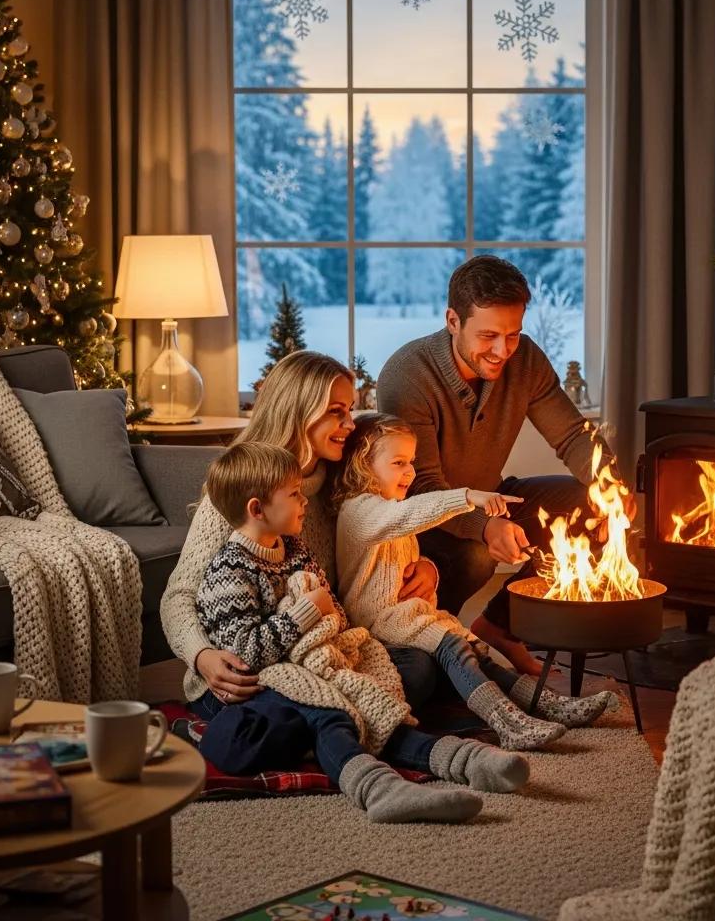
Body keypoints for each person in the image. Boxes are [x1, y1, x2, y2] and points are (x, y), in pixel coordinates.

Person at [193, 441, 529, 823]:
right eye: (293, 495)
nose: (304, 501)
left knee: (377, 700)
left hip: (313, 660)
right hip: (263, 680)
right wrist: (305, 613)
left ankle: (467, 760)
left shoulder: (295, 550)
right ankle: (379, 789)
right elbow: (246, 653)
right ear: (257, 509)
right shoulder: (230, 571)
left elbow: (333, 611)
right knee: (334, 711)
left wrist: (321, 631)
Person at [160, 351, 443, 774]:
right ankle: (342, 731)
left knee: (418, 667)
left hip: (322, 650)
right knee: (281, 712)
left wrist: (427, 567)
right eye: (337, 412)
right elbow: (179, 595)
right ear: (299, 412)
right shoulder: (246, 491)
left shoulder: (342, 484)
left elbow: (382, 546)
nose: (350, 424)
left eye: (350, 411)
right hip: (249, 663)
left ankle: (331, 729)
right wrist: (203, 657)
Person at [378, 255, 622, 675]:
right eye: (488, 335)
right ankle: (437, 642)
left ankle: (499, 625)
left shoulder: (523, 360)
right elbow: (422, 488)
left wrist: (609, 486)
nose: (502, 351)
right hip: (424, 526)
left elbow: (572, 435)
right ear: (453, 320)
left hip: (494, 498)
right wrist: (484, 525)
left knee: (592, 507)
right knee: (475, 558)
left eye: (513, 335)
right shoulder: (408, 375)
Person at [335, 414, 619, 750]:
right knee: (452, 645)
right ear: (363, 465)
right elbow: (408, 515)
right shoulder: (359, 510)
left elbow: (400, 557)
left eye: (411, 462)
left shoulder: (387, 506)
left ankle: (546, 704)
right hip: (378, 622)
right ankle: (506, 722)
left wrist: (426, 565)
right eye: (398, 463)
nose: (410, 472)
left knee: (475, 650)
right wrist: (467, 497)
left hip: (408, 615)